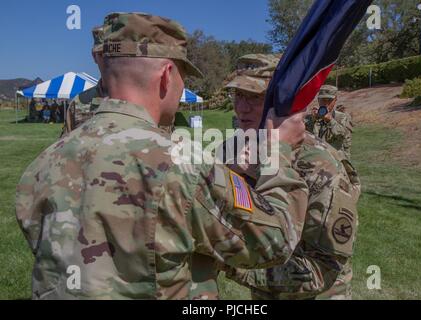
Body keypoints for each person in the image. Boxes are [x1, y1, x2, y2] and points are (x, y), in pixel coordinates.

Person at [15, 12, 309, 300]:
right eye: (184, 76)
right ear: (168, 76)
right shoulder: (182, 162)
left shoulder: (42, 165)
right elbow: (275, 242)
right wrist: (278, 151)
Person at [219, 54, 361, 300]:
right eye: (238, 95)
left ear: (281, 102)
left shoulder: (319, 165)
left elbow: (322, 270)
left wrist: (229, 261)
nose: (242, 107)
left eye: (254, 97)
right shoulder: (232, 150)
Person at [62, 26, 107, 136]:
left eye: (114, 54)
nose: (108, 59)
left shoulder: (146, 100)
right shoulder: (79, 103)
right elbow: (64, 147)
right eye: (102, 54)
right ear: (94, 57)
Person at [308, 85, 353, 159]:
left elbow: (343, 134)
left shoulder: (342, 117)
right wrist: (312, 120)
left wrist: (330, 121)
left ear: (335, 100)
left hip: (336, 159)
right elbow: (304, 136)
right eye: (323, 100)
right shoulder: (311, 117)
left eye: (329, 100)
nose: (326, 104)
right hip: (316, 159)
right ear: (318, 100)